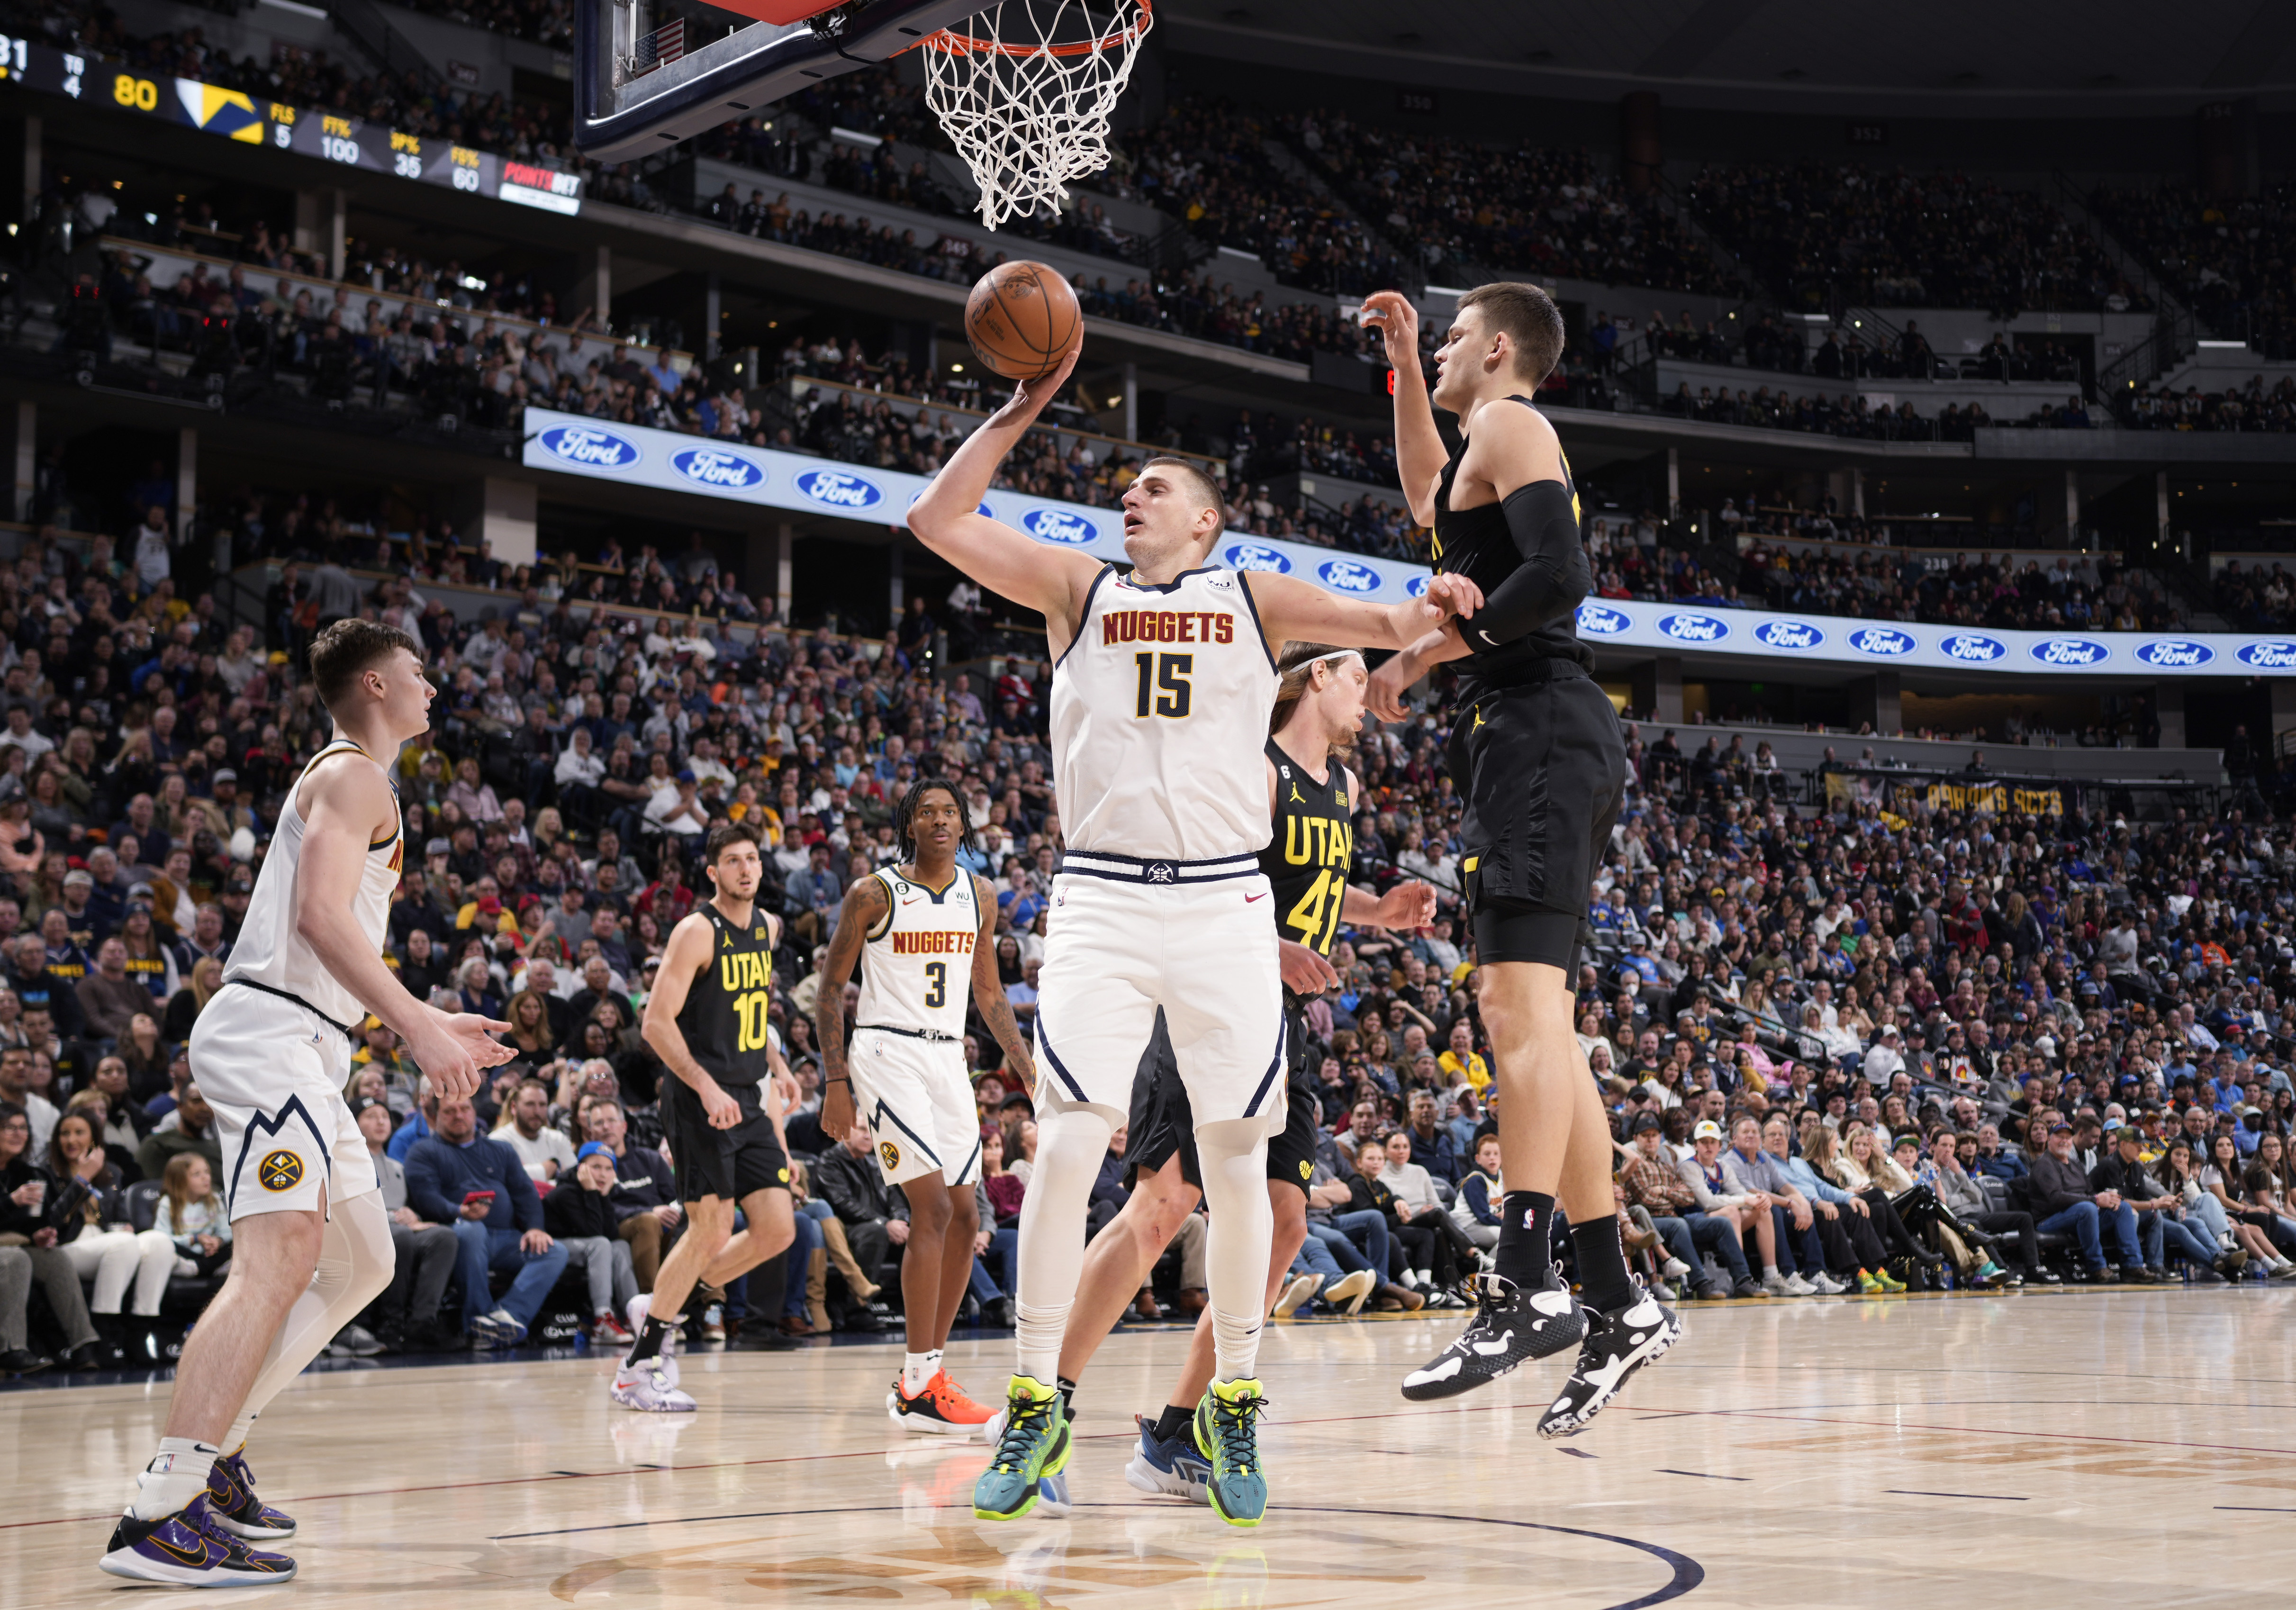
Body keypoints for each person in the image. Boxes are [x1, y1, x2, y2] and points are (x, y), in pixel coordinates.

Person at [907, 329, 1480, 1527]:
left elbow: (1375, 620)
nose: (1132, 493)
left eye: (1156, 487)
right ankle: (1033, 1399)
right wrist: (1022, 406)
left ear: (1207, 525)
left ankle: (1227, 1403)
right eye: (1129, 486)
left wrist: (1432, 600)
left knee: (1239, 1174)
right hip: (1105, 896)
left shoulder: (1252, 594)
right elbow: (936, 519)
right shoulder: (1080, 585)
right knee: (1066, 1147)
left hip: (1225, 899)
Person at [101, 619, 512, 1588]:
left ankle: (221, 1446)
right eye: (418, 673)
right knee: (281, 1255)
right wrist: (414, 1027)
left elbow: (336, 937)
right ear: (375, 682)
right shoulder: (353, 773)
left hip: (308, 1038)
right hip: (270, 1035)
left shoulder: (358, 782)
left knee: (364, 1258)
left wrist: (427, 1015)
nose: (432, 689)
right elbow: (318, 919)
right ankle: (161, 1508)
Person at [1011, 640, 1437, 1509]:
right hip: (1205, 995)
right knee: (1160, 1204)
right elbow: (1202, 884)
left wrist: (1376, 910)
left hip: (1280, 1019)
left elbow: (1316, 883)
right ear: (1316, 676)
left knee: (1283, 1223)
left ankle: (1176, 1433)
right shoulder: (1253, 766)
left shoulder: (1344, 789)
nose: (1371, 696)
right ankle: (1043, 1409)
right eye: (1359, 676)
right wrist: (1263, 944)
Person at [1364, 283, 1679, 1433]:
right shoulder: (1472, 452)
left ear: (1497, 350)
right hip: (1526, 730)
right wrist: (1401, 358)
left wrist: (1463, 631)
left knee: (1515, 1012)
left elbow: (1561, 575)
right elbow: (1422, 497)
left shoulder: (1510, 421)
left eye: (1448, 337)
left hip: (1541, 727)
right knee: (1545, 1032)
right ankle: (1612, 1302)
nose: (1441, 354)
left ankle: (1525, 1280)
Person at [815, 777, 1036, 1436]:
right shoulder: (875, 892)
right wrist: (834, 1081)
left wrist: (1029, 1074)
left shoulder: (981, 894)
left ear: (964, 826)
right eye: (926, 812)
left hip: (948, 1057)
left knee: (969, 1216)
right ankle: (917, 1380)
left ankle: (926, 1378)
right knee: (933, 1207)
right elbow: (830, 990)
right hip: (886, 1052)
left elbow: (990, 995)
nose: (939, 821)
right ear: (908, 824)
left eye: (950, 812)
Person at [610, 822, 798, 1412]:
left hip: (746, 1093)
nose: (746, 869)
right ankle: (637, 1369)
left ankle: (664, 1302)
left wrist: (777, 1059)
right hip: (698, 1097)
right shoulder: (695, 931)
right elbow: (656, 1023)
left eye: (753, 858)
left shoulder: (768, 926)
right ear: (712, 871)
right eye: (733, 861)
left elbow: (749, 1006)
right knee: (711, 1227)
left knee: (777, 1229)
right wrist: (708, 1086)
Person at [0, 1101, 103, 1374]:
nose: (18, 1134)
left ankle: (83, 1345)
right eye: (9, 1127)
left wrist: (41, 1233)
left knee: (55, 1257)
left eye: (23, 1128)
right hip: (8, 1252)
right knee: (15, 1259)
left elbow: (44, 1219)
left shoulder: (29, 1173)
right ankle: (11, 1349)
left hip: (15, 1245)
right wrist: (11, 1201)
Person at [350, 1096, 459, 1351]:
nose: (380, 1121)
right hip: (364, 1232)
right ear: (353, 1124)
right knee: (400, 1236)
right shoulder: (346, 1162)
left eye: (385, 1117)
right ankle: (392, 1323)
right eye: (371, 1116)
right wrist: (397, 1219)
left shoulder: (398, 1166)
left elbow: (407, 1207)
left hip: (399, 1229)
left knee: (443, 1237)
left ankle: (422, 1322)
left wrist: (414, 1217)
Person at [544, 1141, 641, 1342]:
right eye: (596, 1167)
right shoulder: (565, 1193)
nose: (603, 1175)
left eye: (608, 1169)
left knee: (620, 1246)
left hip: (585, 1244)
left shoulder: (598, 1192)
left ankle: (634, 1314)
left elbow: (612, 1234)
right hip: (555, 1245)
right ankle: (602, 1319)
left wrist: (601, 1198)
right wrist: (592, 1194)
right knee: (600, 1244)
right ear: (582, 1168)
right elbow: (594, 1233)